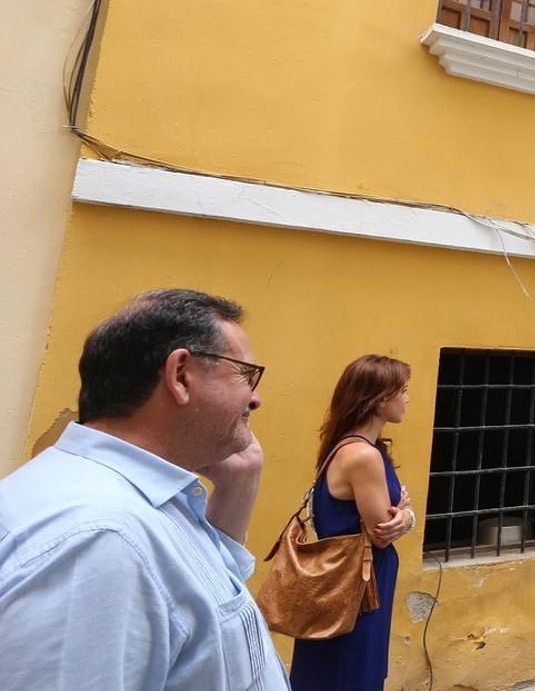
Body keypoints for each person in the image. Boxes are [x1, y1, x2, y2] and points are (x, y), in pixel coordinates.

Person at [0, 289, 290, 688]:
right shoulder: (101, 539)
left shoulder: (133, 502)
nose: (255, 398)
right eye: (245, 374)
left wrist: (237, 494)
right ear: (181, 375)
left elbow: (195, 620)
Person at [290, 354, 417, 690]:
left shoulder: (345, 446)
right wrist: (404, 515)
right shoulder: (364, 455)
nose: (407, 398)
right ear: (378, 400)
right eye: (401, 390)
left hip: (343, 575)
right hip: (359, 581)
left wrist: (404, 516)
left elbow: (392, 520)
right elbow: (382, 534)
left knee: (333, 668)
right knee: (352, 670)